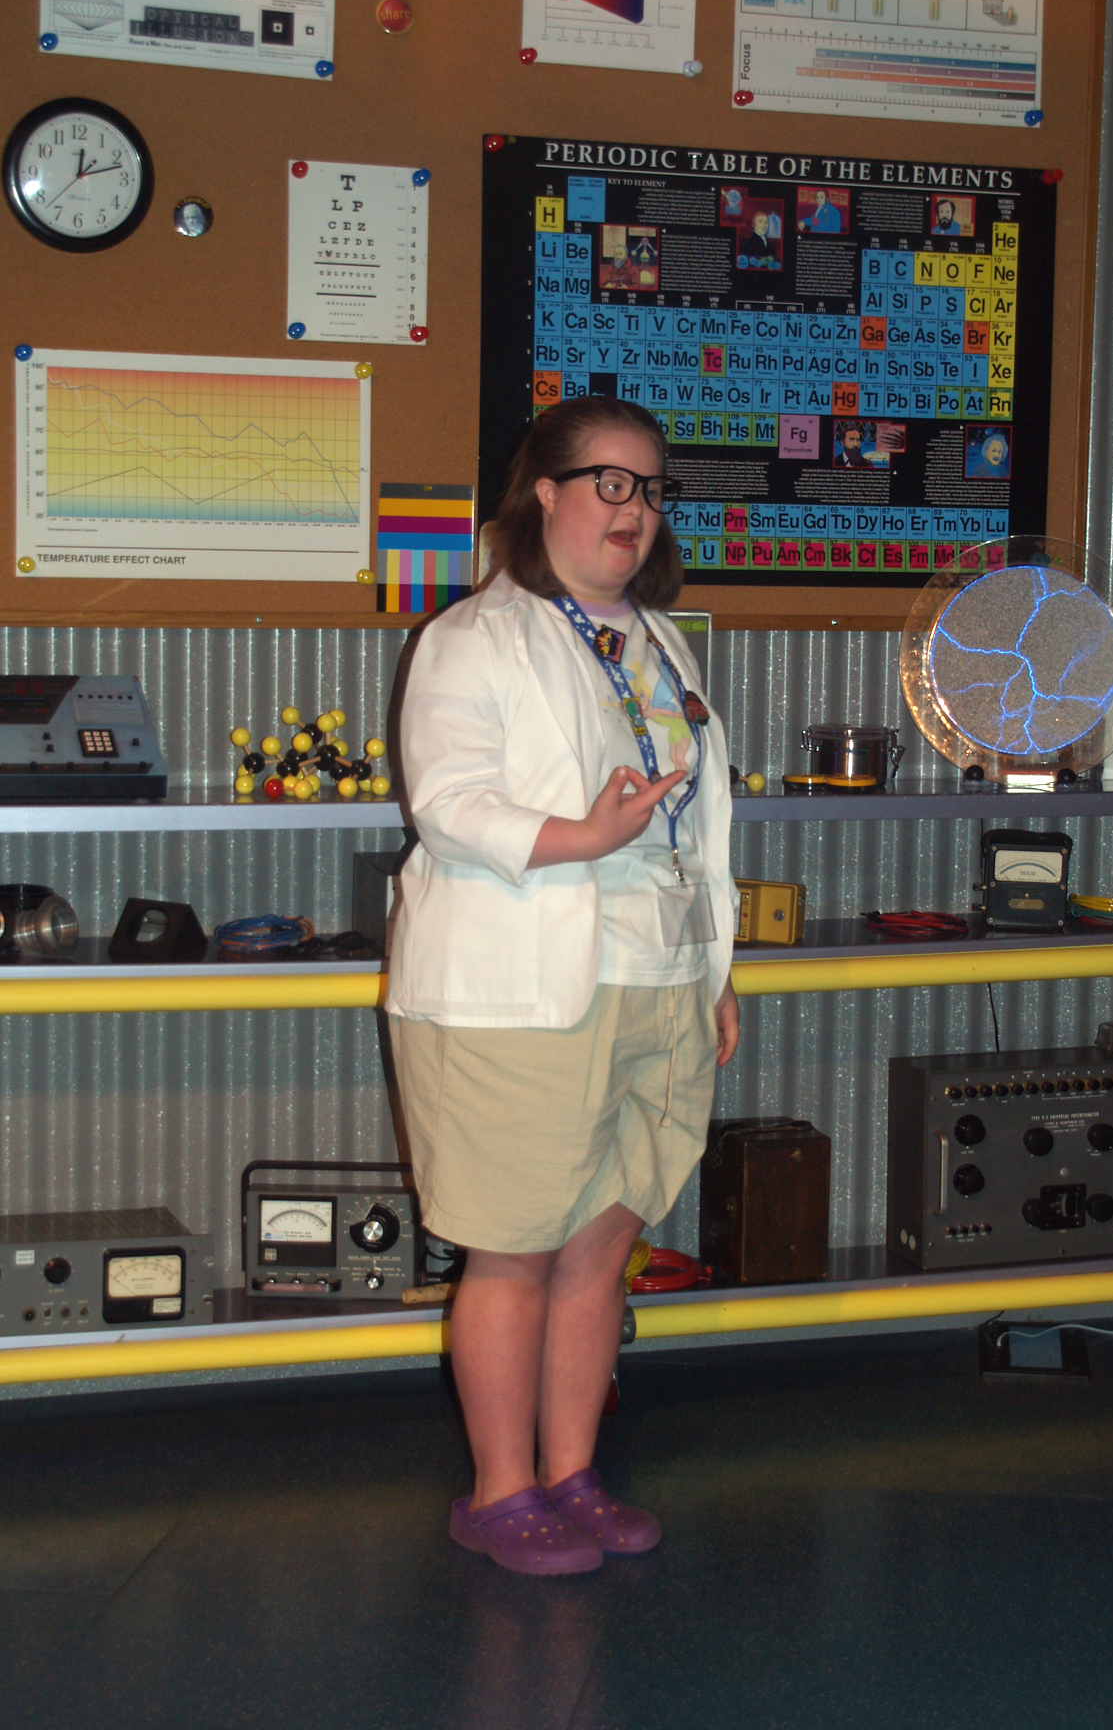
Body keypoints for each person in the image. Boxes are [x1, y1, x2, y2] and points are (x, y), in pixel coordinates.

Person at [386, 396, 740, 1576]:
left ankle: (573, 1473)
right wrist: (581, 839)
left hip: (658, 975)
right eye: (609, 482)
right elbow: (450, 804)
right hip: (525, 988)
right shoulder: (472, 638)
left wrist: (713, 969)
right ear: (543, 492)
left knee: (600, 1249)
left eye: (652, 488)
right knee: (513, 1250)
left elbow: (697, 832)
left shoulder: (661, 642)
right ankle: (499, 1492)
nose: (634, 509)